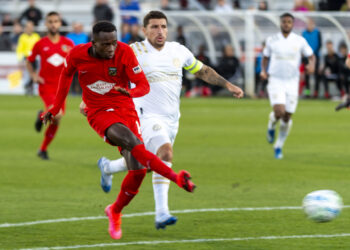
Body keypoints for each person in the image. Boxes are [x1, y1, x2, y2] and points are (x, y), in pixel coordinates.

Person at [88, 11, 243, 231]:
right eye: (154, 27)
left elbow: (202, 70)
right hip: (145, 115)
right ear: (144, 30)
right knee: (165, 153)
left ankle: (108, 167)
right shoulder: (134, 51)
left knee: (148, 163)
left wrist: (228, 85)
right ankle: (161, 213)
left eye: (163, 26)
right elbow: (106, 71)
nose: (159, 31)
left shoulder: (178, 50)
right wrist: (92, 100)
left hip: (172, 119)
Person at [42, 20, 196, 240]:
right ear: (93, 43)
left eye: (114, 42)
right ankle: (173, 177)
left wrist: (130, 92)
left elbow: (143, 84)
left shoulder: (124, 52)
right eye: (105, 44)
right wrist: (55, 107)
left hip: (126, 109)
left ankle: (114, 209)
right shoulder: (76, 55)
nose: (111, 48)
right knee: (132, 142)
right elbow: (66, 76)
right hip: (99, 112)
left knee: (139, 170)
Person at [261, 12, 315, 159]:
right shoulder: (272, 40)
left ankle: (278, 146)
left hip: (292, 81)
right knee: (279, 111)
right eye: (284, 22)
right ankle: (272, 124)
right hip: (276, 80)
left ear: (292, 24)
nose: (286, 24)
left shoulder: (300, 41)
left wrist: (312, 65)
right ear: (280, 23)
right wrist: (263, 71)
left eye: (289, 22)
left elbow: (311, 55)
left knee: (287, 116)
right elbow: (265, 58)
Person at [26, 12, 74, 160]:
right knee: (57, 114)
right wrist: (34, 75)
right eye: (50, 21)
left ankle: (43, 149)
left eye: (56, 21)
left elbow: (74, 62)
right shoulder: (40, 44)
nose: (53, 24)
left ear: (60, 24)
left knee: (57, 119)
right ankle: (42, 116)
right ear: (46, 24)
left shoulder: (68, 44)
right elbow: (29, 60)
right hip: (46, 85)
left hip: (62, 88)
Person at [16, 20, 40, 95]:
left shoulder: (36, 36)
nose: (29, 28)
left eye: (31, 27)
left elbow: (39, 47)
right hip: (27, 58)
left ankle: (28, 86)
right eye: (28, 27)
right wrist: (20, 58)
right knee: (30, 73)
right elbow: (20, 48)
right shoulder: (22, 37)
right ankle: (29, 87)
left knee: (35, 73)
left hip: (35, 58)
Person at [302, 18, 322, 98]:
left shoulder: (317, 32)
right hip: (306, 57)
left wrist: (313, 53)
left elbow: (320, 44)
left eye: (311, 24)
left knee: (316, 75)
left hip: (315, 56)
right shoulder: (304, 33)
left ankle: (316, 92)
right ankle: (307, 92)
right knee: (307, 75)